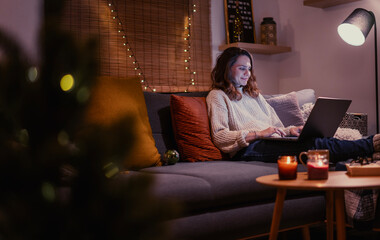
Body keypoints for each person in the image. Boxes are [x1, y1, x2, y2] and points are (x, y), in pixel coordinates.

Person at [206, 47, 380, 163]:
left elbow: (277, 127)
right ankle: (371, 145)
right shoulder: (217, 96)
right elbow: (220, 137)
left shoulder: (254, 96)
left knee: (319, 140)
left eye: (249, 68)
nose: (247, 73)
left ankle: (368, 149)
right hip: (248, 149)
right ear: (227, 69)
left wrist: (290, 131)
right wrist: (258, 134)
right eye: (242, 68)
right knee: (313, 147)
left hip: (271, 141)